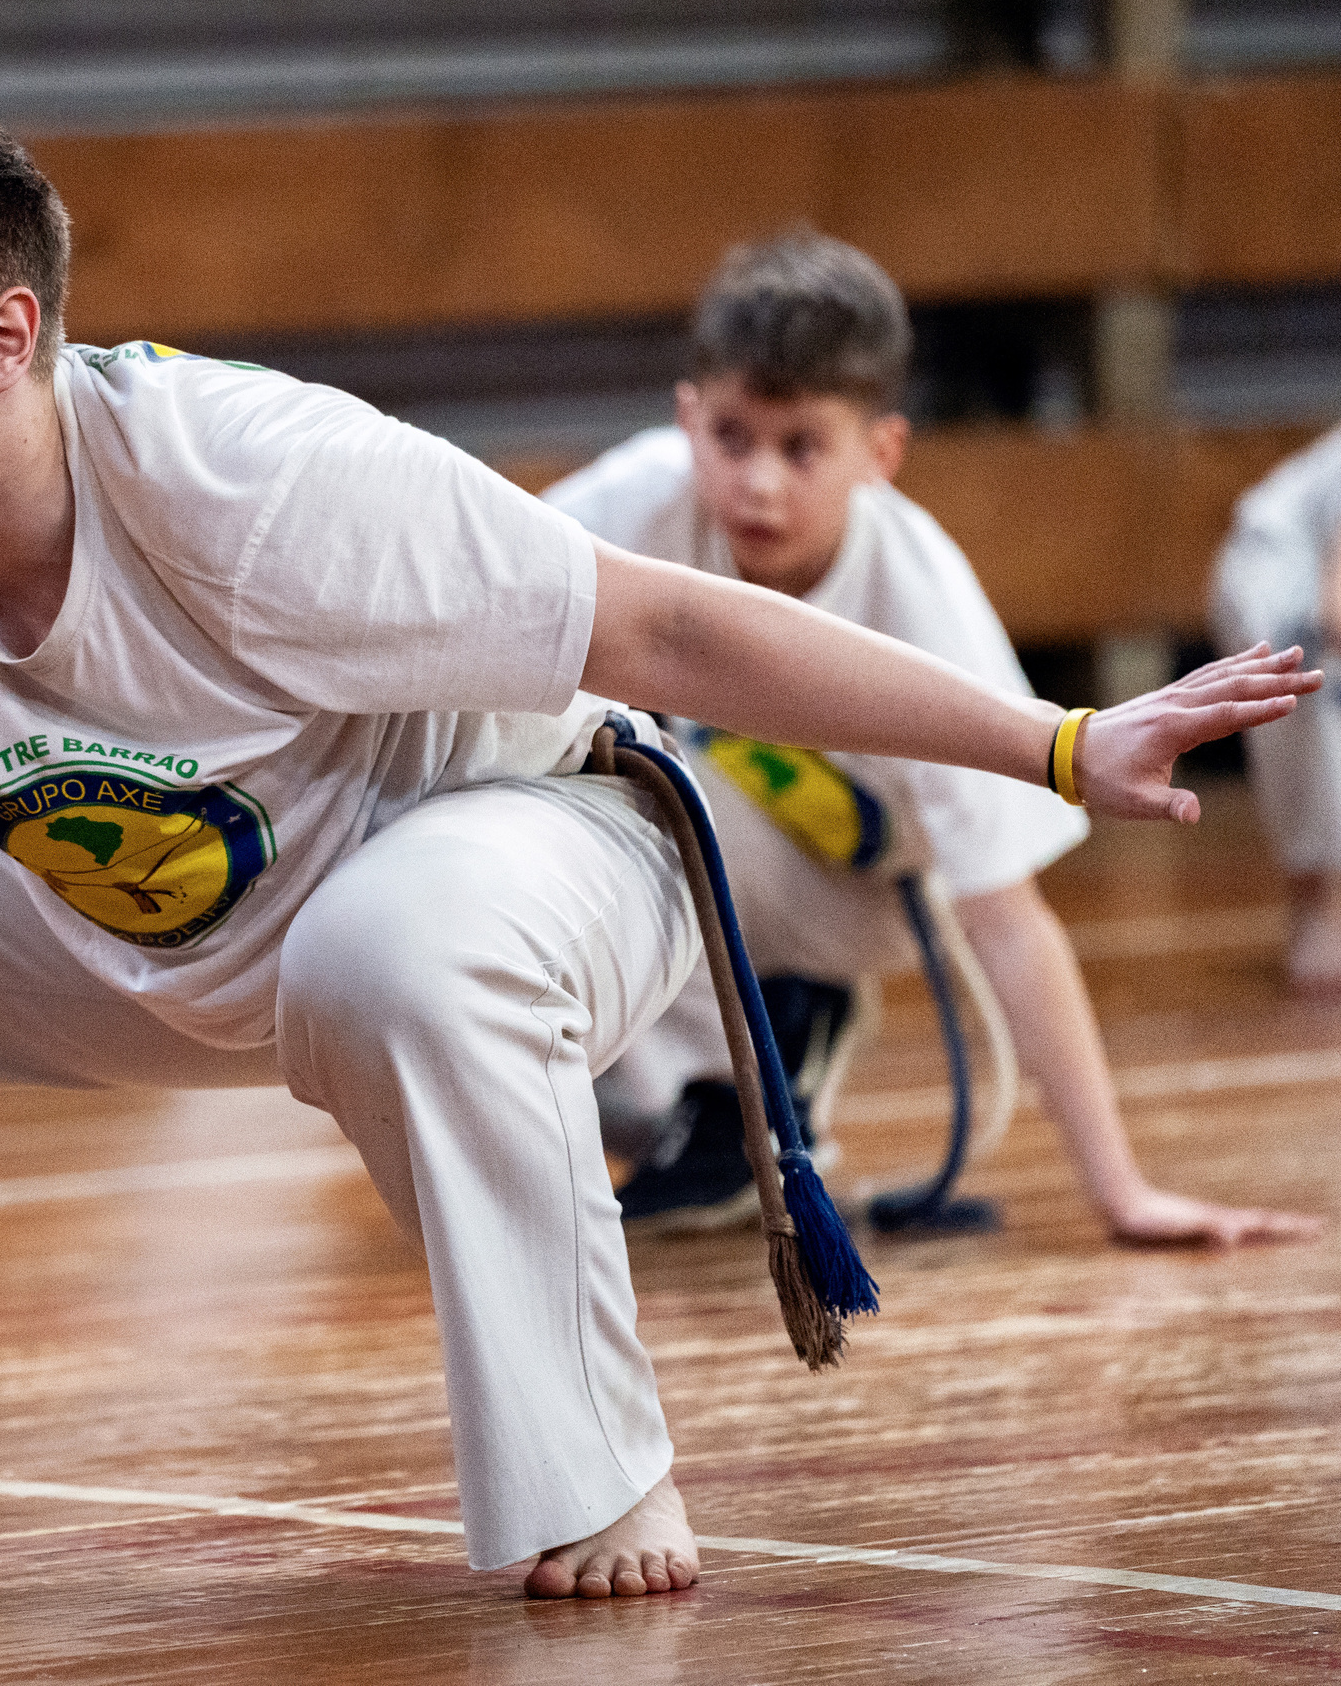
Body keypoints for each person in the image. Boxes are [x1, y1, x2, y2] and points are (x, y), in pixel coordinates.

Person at [0, 97, 1313, 1596]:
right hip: (197, 930)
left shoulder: (250, 471)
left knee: (390, 947)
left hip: (539, 844)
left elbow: (664, 628)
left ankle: (601, 1475)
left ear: (7, 336)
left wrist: (1062, 738)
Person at [549, 231, 1323, 1250]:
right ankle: (724, 1101)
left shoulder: (922, 591)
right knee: (563, 743)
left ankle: (792, 1016)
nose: (759, 484)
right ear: (687, 418)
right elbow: (481, 605)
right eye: (732, 438)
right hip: (729, 834)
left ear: (882, 453)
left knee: (647, 772)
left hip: (859, 894)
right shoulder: (632, 498)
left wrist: (1122, 1191)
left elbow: (1008, 920)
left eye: (800, 447)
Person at [1211, 423, 1341, 991]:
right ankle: (1321, 916)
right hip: (1279, 579)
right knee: (1312, 726)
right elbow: (1335, 603)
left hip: (1302, 580)